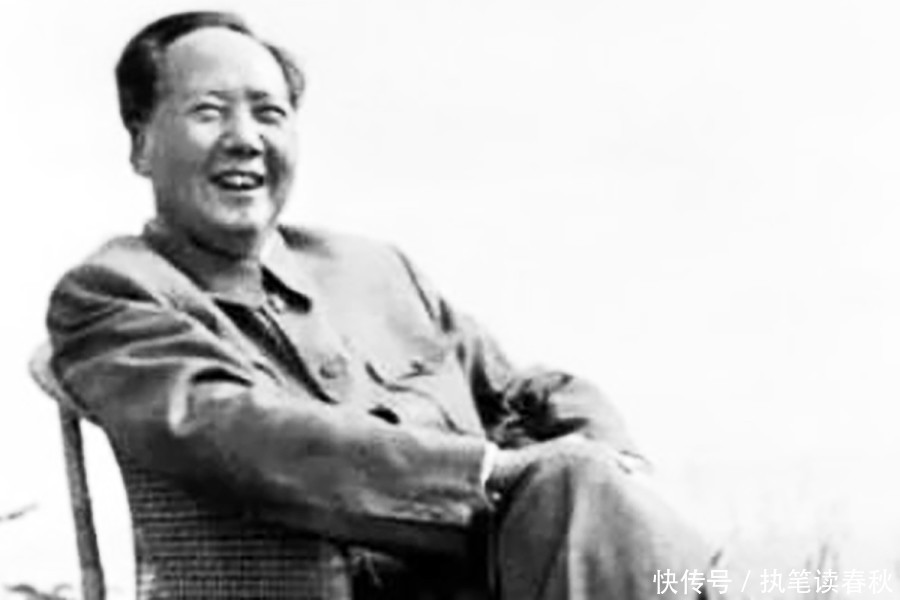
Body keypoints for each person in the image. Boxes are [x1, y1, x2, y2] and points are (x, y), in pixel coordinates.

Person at [44, 11, 727, 600]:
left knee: (595, 491)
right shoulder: (113, 293)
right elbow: (238, 435)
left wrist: (609, 450)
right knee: (599, 508)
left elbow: (519, 388)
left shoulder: (373, 269)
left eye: (270, 113)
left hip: (517, 568)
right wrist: (486, 473)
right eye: (209, 111)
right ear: (140, 144)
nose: (246, 138)